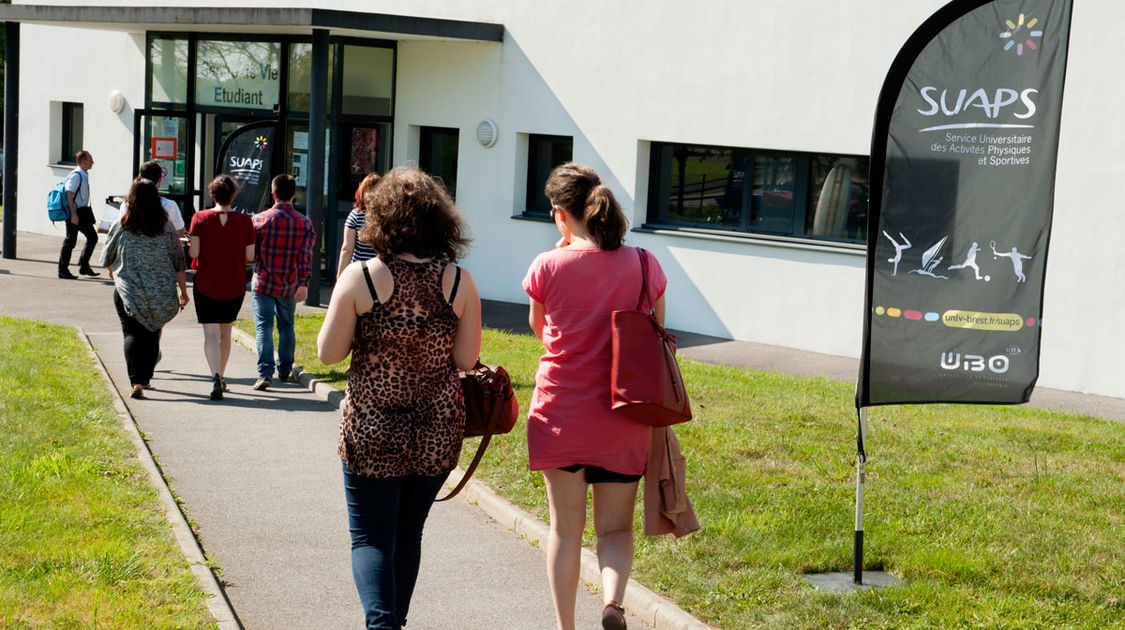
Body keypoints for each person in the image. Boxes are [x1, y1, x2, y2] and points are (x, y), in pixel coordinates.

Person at [317, 166, 481, 630]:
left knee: (370, 537)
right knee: (408, 534)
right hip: (436, 429)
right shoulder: (459, 281)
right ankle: (393, 624)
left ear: (381, 219)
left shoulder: (361, 278)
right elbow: (468, 359)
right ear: (440, 219)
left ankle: (382, 625)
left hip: (371, 426)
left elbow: (328, 354)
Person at [522, 163, 667, 630]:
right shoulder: (644, 263)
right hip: (623, 418)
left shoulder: (547, 265)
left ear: (562, 215)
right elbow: (656, 329)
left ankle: (566, 628)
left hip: (559, 414)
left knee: (565, 531)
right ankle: (612, 604)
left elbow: (540, 329)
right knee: (615, 529)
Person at [100, 178, 189, 399]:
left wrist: (115, 271)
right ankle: (146, 378)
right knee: (152, 332)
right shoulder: (167, 227)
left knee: (131, 333)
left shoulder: (122, 224)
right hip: (159, 292)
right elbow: (179, 260)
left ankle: (136, 382)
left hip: (127, 291)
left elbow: (106, 257)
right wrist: (184, 291)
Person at [189, 174, 256, 401]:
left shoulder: (199, 218)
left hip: (206, 283)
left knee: (210, 334)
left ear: (212, 194)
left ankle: (215, 375)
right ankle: (222, 375)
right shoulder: (246, 221)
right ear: (233, 195)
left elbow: (194, 253)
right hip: (234, 285)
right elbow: (249, 256)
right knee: (225, 334)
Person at [251, 174, 315, 391]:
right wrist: (304, 282)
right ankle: (285, 369)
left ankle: (265, 372)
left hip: (263, 282)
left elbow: (252, 254)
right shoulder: (304, 223)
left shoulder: (258, 220)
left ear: (273, 194)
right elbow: (305, 256)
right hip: (289, 283)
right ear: (294, 195)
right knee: (287, 326)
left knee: (264, 327)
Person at [58, 150, 99, 279]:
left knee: (92, 237)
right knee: (71, 241)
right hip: (75, 213)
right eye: (90, 159)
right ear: (83, 162)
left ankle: (84, 266)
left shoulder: (84, 174)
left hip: (82, 212)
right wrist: (73, 214)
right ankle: (62, 270)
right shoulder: (76, 175)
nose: (93, 162)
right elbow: (69, 193)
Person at [122, 161, 186, 238]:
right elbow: (180, 232)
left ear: (139, 178)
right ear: (160, 180)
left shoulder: (127, 205)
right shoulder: (170, 205)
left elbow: (122, 229)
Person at [336, 172, 382, 277]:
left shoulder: (356, 215)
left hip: (358, 271)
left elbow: (347, 249)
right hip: (381, 271)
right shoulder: (387, 215)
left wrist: (340, 277)